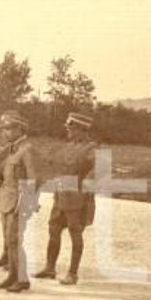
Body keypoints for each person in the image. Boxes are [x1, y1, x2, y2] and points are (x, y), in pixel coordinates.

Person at [34, 112, 96, 285]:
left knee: (75, 233)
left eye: (72, 128)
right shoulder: (68, 146)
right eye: (69, 127)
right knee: (53, 229)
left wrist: (82, 189)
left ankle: (73, 274)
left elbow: (96, 173)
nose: (68, 130)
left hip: (76, 199)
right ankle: (50, 268)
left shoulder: (91, 149)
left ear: (82, 130)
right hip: (60, 195)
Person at [0, 110, 39, 293]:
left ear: (19, 129)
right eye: (3, 129)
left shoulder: (27, 150)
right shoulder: (13, 149)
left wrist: (25, 204)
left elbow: (32, 179)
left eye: (8, 129)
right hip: (7, 201)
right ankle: (13, 275)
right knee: (9, 240)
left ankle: (22, 279)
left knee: (15, 240)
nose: (4, 132)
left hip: (18, 203)